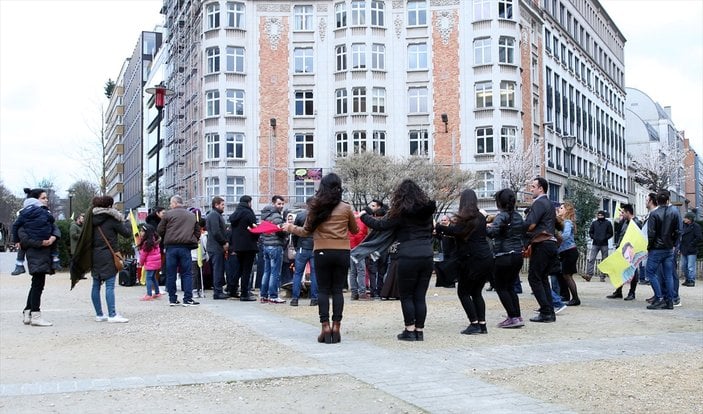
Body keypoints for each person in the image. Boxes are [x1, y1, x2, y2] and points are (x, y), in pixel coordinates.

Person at [283, 173, 359, 343]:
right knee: (338, 290)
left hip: (322, 251)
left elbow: (306, 231)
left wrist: (290, 227)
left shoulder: (316, 207)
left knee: (323, 290)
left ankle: (325, 326)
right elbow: (354, 231)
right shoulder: (346, 208)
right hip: (341, 252)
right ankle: (337, 326)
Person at [360, 179, 436, 341]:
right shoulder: (427, 212)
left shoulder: (401, 212)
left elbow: (381, 225)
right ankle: (419, 331)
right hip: (427, 256)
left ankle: (409, 330)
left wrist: (364, 216)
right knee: (420, 296)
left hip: (408, 255)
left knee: (406, 295)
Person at [436, 189, 493, 335]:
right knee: (477, 292)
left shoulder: (465, 218)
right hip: (485, 257)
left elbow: (456, 232)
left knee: (463, 292)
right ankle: (482, 324)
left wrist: (439, 227)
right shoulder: (481, 216)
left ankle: (474, 323)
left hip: (471, 259)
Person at [15, 188, 59, 326]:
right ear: (35, 200)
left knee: (36, 283)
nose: (46, 200)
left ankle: (28, 312)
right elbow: (24, 239)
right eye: (43, 198)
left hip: (43, 252)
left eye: (46, 197)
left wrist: (53, 237)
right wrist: (42, 242)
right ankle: (35, 314)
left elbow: (54, 228)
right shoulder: (26, 217)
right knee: (38, 284)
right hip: (36, 253)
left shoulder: (44, 215)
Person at [89, 195, 132, 323]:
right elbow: (127, 233)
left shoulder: (90, 220)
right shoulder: (112, 219)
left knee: (96, 284)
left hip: (94, 255)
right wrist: (128, 222)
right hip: (109, 255)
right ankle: (112, 314)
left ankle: (99, 314)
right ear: (109, 206)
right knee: (109, 285)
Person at [486, 189, 525, 329]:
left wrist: (485, 227)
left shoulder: (501, 216)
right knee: (510, 287)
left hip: (504, 255)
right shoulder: (518, 216)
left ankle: (513, 317)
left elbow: (492, 233)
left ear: (499, 202)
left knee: (501, 287)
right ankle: (516, 316)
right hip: (517, 256)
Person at [524, 177, 559, 323]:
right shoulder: (550, 204)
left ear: (541, 189)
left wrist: (520, 231)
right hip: (550, 243)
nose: (531, 189)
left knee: (534, 278)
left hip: (542, 243)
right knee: (543, 278)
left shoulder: (538, 203)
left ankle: (546, 311)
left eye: (533, 186)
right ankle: (549, 311)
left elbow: (531, 224)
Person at [157, 195, 201, 307]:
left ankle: (172, 299)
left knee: (171, 274)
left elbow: (160, 230)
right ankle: (188, 298)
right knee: (186, 273)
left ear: (175, 203)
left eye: (171, 204)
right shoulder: (191, 216)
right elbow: (197, 231)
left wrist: (167, 236)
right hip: (185, 247)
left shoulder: (168, 215)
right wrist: (194, 239)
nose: (170, 206)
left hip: (171, 247)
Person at [645, 190, 679, 310]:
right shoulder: (674, 212)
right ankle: (669, 301)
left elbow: (651, 233)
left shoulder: (654, 214)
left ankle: (659, 298)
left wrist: (649, 247)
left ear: (657, 200)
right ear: (668, 200)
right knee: (668, 275)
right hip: (669, 248)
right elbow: (678, 231)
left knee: (650, 273)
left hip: (656, 248)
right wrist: (674, 243)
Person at [606, 204, 643, 300]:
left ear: (628, 212)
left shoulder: (636, 223)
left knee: (633, 271)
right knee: (619, 269)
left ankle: (632, 293)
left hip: (631, 251)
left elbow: (638, 237)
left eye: (623, 212)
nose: (621, 214)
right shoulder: (625, 222)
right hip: (622, 249)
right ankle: (618, 291)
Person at [229, 195, 259, 302]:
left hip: (238, 246)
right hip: (249, 245)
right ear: (248, 202)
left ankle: (232, 289)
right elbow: (254, 228)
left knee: (240, 268)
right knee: (247, 270)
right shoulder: (248, 213)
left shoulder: (235, 214)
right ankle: (244, 293)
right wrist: (257, 237)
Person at [289, 200, 319, 307]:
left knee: (298, 273)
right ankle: (314, 298)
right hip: (315, 247)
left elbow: (295, 232)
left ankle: (295, 299)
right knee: (315, 274)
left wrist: (297, 246)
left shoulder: (300, 216)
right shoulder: (319, 216)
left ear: (307, 205)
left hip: (302, 247)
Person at [259, 195, 288, 304]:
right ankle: (273, 295)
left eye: (282, 204)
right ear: (274, 204)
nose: (281, 206)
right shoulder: (276, 216)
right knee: (275, 272)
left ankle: (263, 295)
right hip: (275, 245)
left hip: (266, 245)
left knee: (267, 271)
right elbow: (280, 231)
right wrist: (286, 231)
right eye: (279, 204)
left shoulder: (265, 216)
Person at [205, 196, 230, 300]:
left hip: (215, 246)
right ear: (216, 205)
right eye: (222, 205)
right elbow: (216, 231)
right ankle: (218, 291)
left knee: (218, 269)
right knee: (218, 269)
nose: (224, 207)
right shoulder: (214, 215)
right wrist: (224, 242)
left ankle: (218, 290)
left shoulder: (214, 215)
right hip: (216, 246)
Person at [557, 201, 580, 306]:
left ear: (566, 210)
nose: (559, 209)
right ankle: (573, 298)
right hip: (568, 251)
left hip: (569, 251)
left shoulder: (567, 222)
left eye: (562, 208)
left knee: (567, 275)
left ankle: (575, 298)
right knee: (566, 275)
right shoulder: (565, 222)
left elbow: (565, 235)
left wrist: (556, 238)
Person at [585, 210, 613, 282]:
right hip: (595, 243)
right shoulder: (594, 223)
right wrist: (593, 237)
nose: (600, 216)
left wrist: (605, 238)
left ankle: (602, 276)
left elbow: (611, 233)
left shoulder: (608, 223)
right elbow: (590, 232)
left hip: (604, 244)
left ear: (604, 216)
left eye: (601, 215)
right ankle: (589, 275)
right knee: (591, 259)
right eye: (599, 215)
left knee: (604, 260)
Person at [137, 223, 162, 300]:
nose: (141, 233)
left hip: (150, 264)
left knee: (148, 278)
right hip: (156, 263)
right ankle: (157, 292)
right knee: (153, 278)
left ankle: (149, 294)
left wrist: (140, 263)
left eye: (142, 231)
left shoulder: (147, 243)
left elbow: (143, 255)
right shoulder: (155, 241)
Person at [349, 211, 369, 300]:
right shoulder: (362, 222)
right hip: (360, 248)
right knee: (361, 271)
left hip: (350, 247)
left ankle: (354, 293)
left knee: (353, 272)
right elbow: (365, 235)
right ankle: (362, 293)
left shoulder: (347, 221)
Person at [680, 212, 701, 287]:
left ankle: (691, 280)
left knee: (690, 266)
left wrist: (691, 244)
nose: (684, 219)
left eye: (685, 218)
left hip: (691, 249)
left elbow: (699, 237)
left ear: (690, 219)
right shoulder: (682, 225)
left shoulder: (696, 226)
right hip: (683, 249)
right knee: (683, 266)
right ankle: (687, 279)